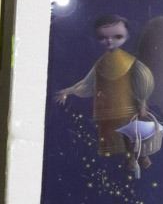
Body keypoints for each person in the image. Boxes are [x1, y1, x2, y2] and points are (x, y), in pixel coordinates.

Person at [55, 14, 155, 161]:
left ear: (126, 36)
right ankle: (132, 162)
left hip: (128, 110)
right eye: (103, 37)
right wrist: (67, 91)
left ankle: (139, 159)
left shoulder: (130, 62)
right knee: (114, 146)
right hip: (106, 114)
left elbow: (143, 80)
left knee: (133, 139)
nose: (109, 41)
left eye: (117, 36)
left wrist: (142, 103)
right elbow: (86, 83)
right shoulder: (101, 64)